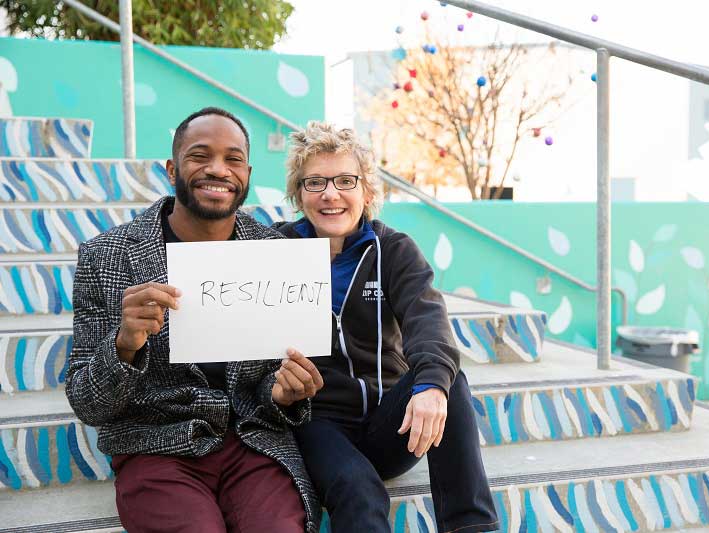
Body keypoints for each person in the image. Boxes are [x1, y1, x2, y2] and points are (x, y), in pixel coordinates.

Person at [66, 107, 323, 533]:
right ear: (172, 169)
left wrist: (285, 394)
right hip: (156, 448)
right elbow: (87, 403)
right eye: (199, 156)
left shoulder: (275, 253)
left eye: (233, 159)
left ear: (248, 173)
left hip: (252, 444)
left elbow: (272, 384)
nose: (217, 169)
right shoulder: (106, 256)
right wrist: (123, 345)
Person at [273, 122, 498, 533]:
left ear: (366, 191)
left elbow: (428, 320)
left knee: (447, 378)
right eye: (315, 182)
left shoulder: (393, 249)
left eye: (345, 180)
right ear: (298, 192)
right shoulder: (273, 248)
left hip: (389, 421)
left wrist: (430, 385)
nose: (330, 193)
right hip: (317, 423)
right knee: (360, 489)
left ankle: (472, 527)